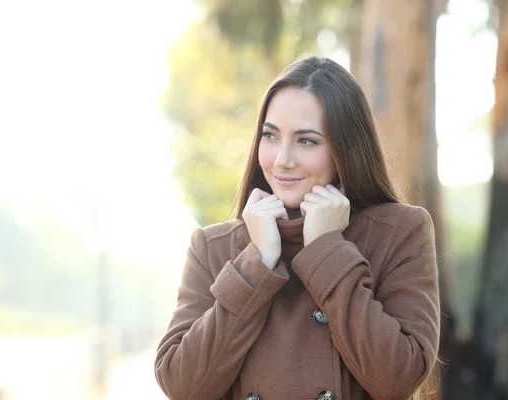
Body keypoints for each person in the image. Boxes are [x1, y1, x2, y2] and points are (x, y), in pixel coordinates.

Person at [154, 56, 440, 400]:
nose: (281, 159)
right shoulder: (213, 246)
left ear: (344, 150)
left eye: (306, 141)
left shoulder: (398, 232)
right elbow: (181, 386)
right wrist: (257, 262)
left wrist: (327, 250)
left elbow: (399, 378)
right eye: (271, 136)